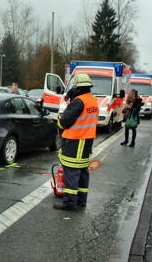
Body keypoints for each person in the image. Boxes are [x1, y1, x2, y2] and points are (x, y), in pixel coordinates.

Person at [53, 73, 99, 211]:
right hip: (87, 142)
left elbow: (64, 121)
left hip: (75, 141)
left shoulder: (79, 101)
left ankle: (69, 203)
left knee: (71, 172)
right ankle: (81, 200)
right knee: (83, 172)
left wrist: (59, 125)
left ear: (77, 88)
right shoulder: (93, 100)